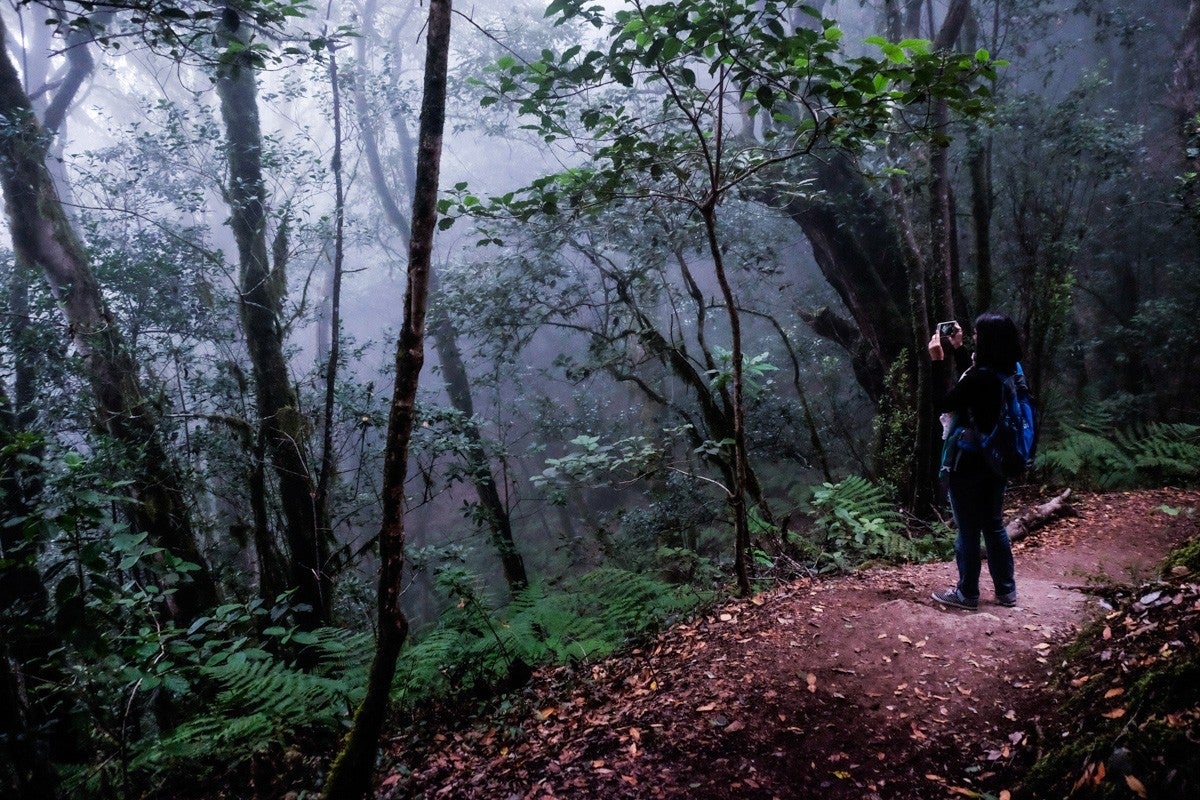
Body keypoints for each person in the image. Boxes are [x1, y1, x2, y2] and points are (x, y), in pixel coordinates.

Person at [927, 311, 1022, 610]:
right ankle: (1006, 592)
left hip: (968, 463)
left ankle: (967, 593)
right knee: (994, 524)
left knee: (968, 528)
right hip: (998, 459)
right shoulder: (1010, 371)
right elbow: (975, 384)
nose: (975, 338)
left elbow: (944, 402)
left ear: (989, 341)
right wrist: (957, 351)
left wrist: (937, 361)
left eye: (979, 335)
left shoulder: (980, 378)